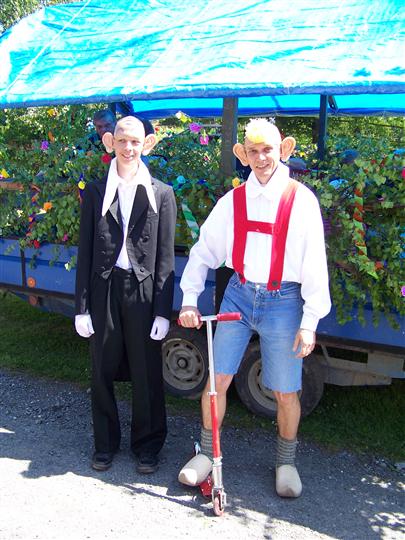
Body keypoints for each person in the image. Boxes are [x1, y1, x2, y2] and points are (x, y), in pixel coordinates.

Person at [178, 118, 331, 498]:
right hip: (239, 294)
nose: (261, 158)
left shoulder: (301, 200)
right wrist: (189, 298)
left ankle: (286, 462)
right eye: (253, 151)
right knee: (217, 382)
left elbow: (315, 262)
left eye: (268, 150)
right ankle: (207, 453)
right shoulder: (232, 202)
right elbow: (203, 251)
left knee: (285, 390)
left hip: (285, 301)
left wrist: (310, 321)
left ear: (284, 150)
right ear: (242, 155)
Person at [74, 116, 177, 474]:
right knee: (101, 367)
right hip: (104, 288)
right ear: (110, 143)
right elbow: (85, 252)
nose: (128, 148)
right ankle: (105, 443)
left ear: (147, 144)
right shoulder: (95, 192)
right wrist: (82, 307)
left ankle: (147, 445)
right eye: (122, 140)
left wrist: (162, 310)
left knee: (146, 370)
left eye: (135, 141)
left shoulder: (162, 193)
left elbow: (165, 257)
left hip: (143, 291)